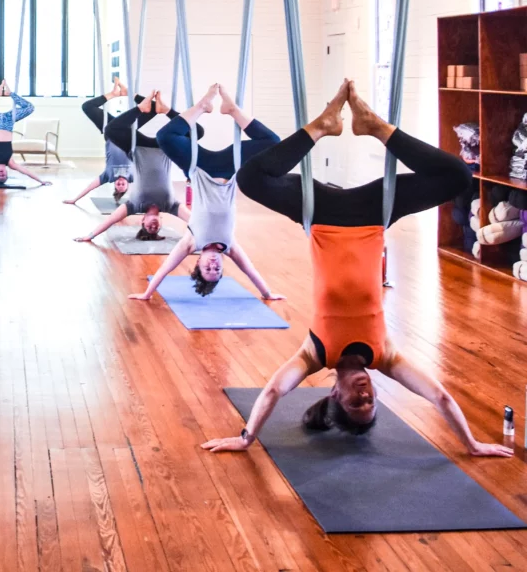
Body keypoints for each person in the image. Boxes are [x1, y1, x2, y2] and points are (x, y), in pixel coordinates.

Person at [201, 81, 511, 458]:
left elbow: (273, 391)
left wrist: (246, 437)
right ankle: (378, 128)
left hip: (320, 215)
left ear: (335, 394)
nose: (365, 396)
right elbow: (440, 396)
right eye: (371, 403)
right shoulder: (387, 356)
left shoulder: (315, 354)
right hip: (373, 215)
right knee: (458, 178)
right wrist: (472, 444)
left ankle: (321, 126)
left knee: (250, 178)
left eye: (355, 404)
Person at [128, 83, 283, 301]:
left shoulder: (191, 243)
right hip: (230, 167)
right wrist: (267, 293)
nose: (213, 265)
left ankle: (202, 106)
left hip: (197, 167)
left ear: (198, 263)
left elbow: (165, 268)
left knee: (165, 137)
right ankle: (233, 110)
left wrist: (147, 294)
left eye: (208, 269)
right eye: (217, 271)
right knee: (273, 143)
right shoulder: (230, 247)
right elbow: (251, 271)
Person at [74, 90, 191, 242]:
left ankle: (141, 108)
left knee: (110, 130)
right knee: (197, 132)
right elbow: (197, 223)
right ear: (162, 223)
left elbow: (110, 220)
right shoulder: (171, 206)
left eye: (149, 228)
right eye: (157, 229)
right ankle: (165, 110)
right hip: (164, 146)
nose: (154, 226)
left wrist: (89, 236)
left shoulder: (134, 206)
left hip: (138, 147)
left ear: (142, 221)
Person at [64, 78, 134, 206]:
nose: (120, 182)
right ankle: (130, 94)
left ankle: (114, 94)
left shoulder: (108, 176)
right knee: (151, 109)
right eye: (123, 185)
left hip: (111, 131)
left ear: (114, 184)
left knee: (87, 107)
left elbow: (90, 187)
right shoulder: (134, 176)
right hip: (128, 132)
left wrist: (74, 200)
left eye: (118, 185)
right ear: (128, 185)